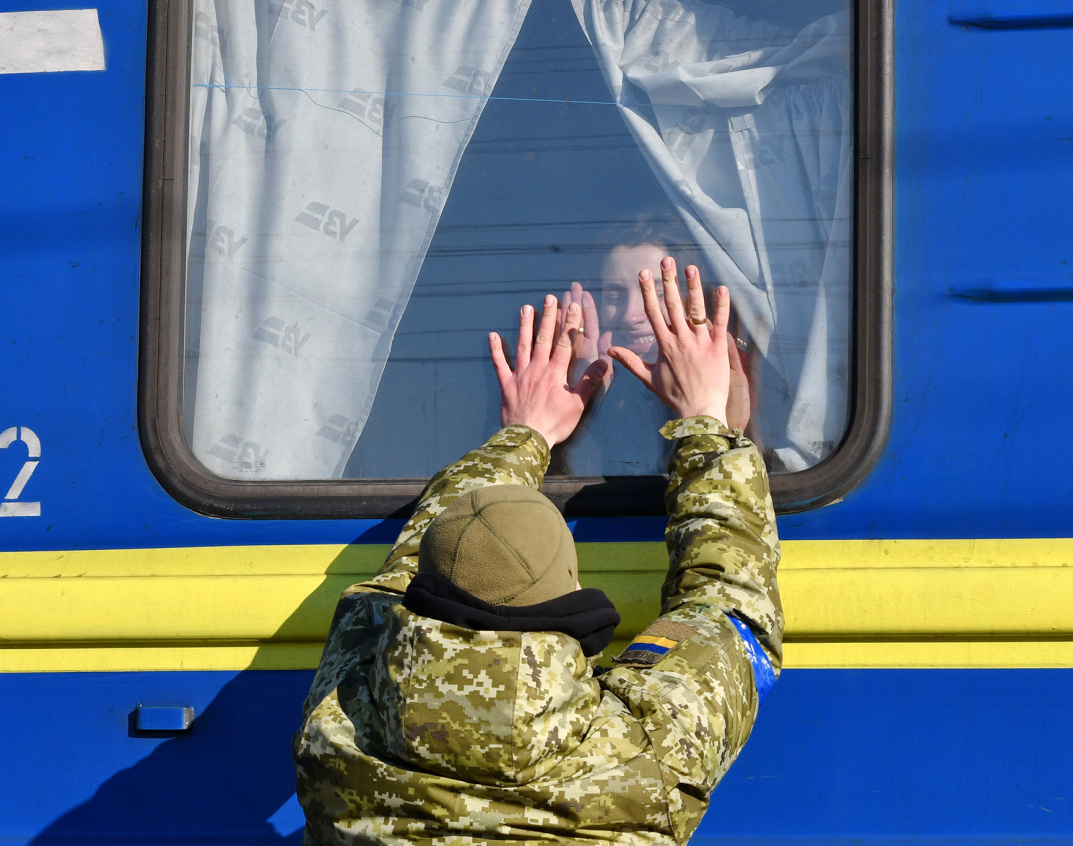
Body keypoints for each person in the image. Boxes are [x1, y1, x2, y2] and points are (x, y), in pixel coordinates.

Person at [293, 258, 783, 845]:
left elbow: (397, 584)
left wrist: (522, 437)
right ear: (572, 594)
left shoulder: (337, 735)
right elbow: (733, 606)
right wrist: (705, 424)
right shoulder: (642, 756)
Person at [553, 216, 753, 476]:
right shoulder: (589, 384)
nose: (631, 315)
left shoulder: (734, 382)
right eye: (614, 296)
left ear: (693, 301)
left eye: (659, 294)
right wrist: (586, 406)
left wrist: (727, 429)